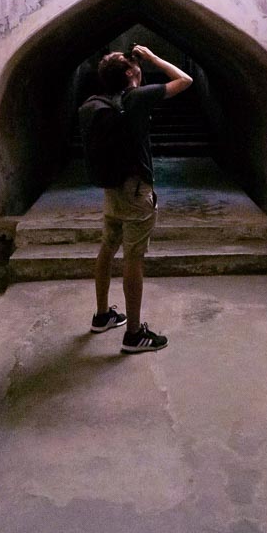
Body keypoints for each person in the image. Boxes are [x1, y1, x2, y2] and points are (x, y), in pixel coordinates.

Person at [83, 44, 192, 352]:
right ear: (131, 72)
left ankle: (102, 315)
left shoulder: (102, 101)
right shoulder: (136, 98)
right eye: (136, 66)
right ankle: (133, 334)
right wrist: (154, 58)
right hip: (135, 191)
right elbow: (185, 80)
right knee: (134, 258)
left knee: (108, 246)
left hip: (112, 189)